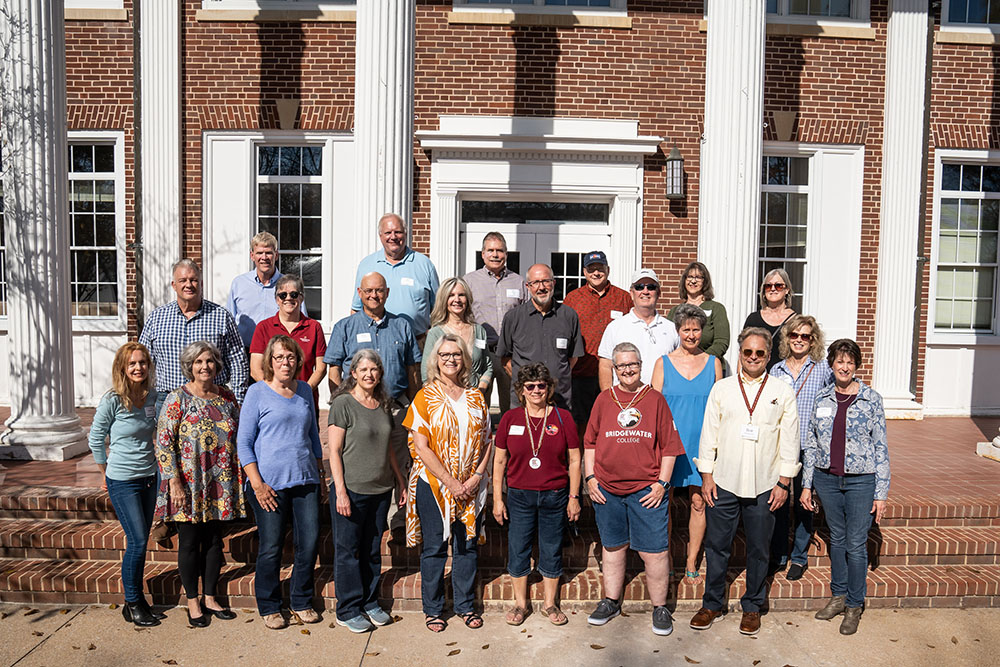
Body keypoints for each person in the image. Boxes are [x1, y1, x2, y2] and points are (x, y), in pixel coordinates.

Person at [690, 327, 799, 637]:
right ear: (740, 354)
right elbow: (708, 433)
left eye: (760, 353)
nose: (753, 358)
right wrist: (707, 476)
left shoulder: (781, 390)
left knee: (759, 549)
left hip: (766, 483)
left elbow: (790, 439)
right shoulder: (722, 389)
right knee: (717, 546)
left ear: (768, 356)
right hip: (723, 481)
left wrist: (783, 483)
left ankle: (752, 606)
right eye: (748, 352)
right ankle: (712, 603)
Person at [584, 342, 684, 636]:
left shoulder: (654, 400)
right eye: (621, 365)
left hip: (646, 491)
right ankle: (611, 601)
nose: (627, 370)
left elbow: (669, 448)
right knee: (613, 548)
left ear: (641, 365)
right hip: (607, 489)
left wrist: (662, 484)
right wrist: (590, 478)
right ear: (614, 369)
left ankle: (660, 607)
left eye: (633, 364)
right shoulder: (604, 399)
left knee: (654, 552)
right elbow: (590, 442)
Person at [403, 334, 491, 633]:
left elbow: (487, 441)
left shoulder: (476, 397)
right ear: (435, 360)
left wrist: (476, 476)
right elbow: (421, 446)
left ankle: (465, 606)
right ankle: (434, 609)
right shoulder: (424, 397)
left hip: (471, 485)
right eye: (444, 355)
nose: (450, 359)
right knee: (436, 548)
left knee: (466, 547)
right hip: (435, 485)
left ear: (464, 360)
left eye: (456, 354)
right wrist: (451, 482)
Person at [801, 338, 890, 636]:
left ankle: (854, 604)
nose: (844, 366)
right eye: (839, 361)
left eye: (850, 362)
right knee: (836, 539)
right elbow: (811, 444)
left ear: (856, 366)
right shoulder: (822, 398)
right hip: (827, 479)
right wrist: (807, 485)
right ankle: (838, 597)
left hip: (861, 481)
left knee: (855, 542)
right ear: (831, 365)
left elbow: (881, 448)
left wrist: (881, 493)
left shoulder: (871, 399)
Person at [155, 341, 246, 628]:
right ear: (190, 367)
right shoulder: (177, 398)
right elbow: (163, 443)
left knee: (214, 542)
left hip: (220, 483)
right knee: (190, 542)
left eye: (209, 361)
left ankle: (210, 596)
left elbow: (240, 436)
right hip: (188, 484)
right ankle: (192, 600)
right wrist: (174, 482)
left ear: (217, 366)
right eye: (198, 362)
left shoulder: (228, 397)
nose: (204, 366)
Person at [238, 335, 324, 630]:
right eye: (278, 358)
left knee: (309, 543)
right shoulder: (257, 393)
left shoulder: (304, 390)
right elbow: (244, 443)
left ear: (298, 361)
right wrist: (257, 484)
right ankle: (270, 605)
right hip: (269, 485)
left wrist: (320, 474)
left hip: (305, 480)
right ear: (269, 363)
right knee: (272, 546)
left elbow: (313, 437)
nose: (285, 363)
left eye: (290, 357)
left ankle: (300, 600)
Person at [325, 271, 422, 528]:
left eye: (379, 290)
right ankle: (362, 511)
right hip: (359, 408)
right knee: (365, 460)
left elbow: (413, 370)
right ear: (360, 293)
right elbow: (333, 368)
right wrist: (339, 401)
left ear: (387, 293)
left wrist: (414, 406)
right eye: (368, 291)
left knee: (398, 461)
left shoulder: (402, 325)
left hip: (396, 406)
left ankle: (397, 519)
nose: (373, 295)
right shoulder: (345, 327)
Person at [493, 363, 581, 627]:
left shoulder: (563, 418)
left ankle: (550, 603)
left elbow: (575, 459)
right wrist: (498, 498)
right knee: (518, 548)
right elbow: (499, 462)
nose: (536, 390)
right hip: (519, 496)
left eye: (541, 385)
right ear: (521, 391)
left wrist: (574, 497)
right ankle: (521, 604)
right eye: (530, 386)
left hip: (555, 495)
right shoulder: (510, 418)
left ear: (549, 388)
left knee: (552, 548)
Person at [328, 349, 408, 633]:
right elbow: (335, 451)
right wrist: (340, 491)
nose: (369, 374)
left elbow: (388, 448)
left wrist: (400, 481)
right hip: (351, 490)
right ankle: (348, 609)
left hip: (381, 490)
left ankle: (370, 602)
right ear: (353, 373)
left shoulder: (383, 404)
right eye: (363, 369)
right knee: (348, 551)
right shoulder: (343, 404)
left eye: (374, 369)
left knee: (372, 550)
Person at [89, 342, 163, 627]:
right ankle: (132, 602)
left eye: (142, 362)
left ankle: (138, 601)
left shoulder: (153, 397)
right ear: (122, 367)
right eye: (132, 363)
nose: (138, 368)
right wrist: (104, 472)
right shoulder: (113, 400)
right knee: (138, 541)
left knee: (141, 542)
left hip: (149, 477)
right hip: (122, 480)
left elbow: (158, 433)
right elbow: (96, 438)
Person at [650, 305, 723, 586]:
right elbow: (655, 406)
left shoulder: (713, 362)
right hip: (669, 444)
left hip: (702, 444)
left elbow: (720, 407)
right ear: (677, 331)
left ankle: (692, 559)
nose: (691, 334)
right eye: (686, 329)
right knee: (663, 502)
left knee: (698, 501)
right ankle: (665, 556)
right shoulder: (662, 363)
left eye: (696, 329)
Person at [769, 314, 833, 580]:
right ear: (787, 338)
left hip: (809, 444)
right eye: (794, 335)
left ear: (812, 340)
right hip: (782, 444)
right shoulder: (776, 370)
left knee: (804, 502)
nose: (798, 340)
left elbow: (832, 402)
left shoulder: (822, 369)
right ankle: (779, 554)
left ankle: (799, 556)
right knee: (780, 501)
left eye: (804, 336)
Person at [140, 259, 248, 408]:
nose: (188, 285)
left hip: (212, 398)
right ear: (174, 285)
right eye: (182, 280)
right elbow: (144, 359)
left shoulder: (221, 316)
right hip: (168, 399)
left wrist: (238, 401)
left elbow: (238, 361)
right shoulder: (157, 318)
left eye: (193, 280)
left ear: (201, 284)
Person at [562, 251, 633, 438]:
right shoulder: (573, 298)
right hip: (582, 372)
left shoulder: (624, 298)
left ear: (607, 270)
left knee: (612, 421)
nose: (596, 273)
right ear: (584, 272)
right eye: (591, 269)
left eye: (600, 269)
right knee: (581, 423)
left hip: (615, 374)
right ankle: (579, 465)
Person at [499, 263, 584, 411]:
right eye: (535, 282)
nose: (541, 287)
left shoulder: (569, 316)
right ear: (528, 286)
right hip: (523, 399)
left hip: (559, 398)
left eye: (546, 281)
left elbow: (573, 358)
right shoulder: (513, 317)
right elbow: (505, 359)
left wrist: (555, 379)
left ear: (553, 283)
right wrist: (526, 381)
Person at [463, 231, 527, 416]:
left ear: (506, 254)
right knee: (479, 403)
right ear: (482, 254)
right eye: (490, 250)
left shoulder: (519, 282)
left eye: (500, 250)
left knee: (513, 404)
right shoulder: (469, 281)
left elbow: (526, 316)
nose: (495, 255)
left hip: (511, 354)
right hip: (482, 352)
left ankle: (509, 442)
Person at [352, 212, 440, 341]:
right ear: (380, 236)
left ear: (406, 234)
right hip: (376, 342)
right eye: (388, 233)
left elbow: (439, 308)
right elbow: (356, 308)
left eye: (398, 232)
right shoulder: (367, 265)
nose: (393, 237)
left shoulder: (424, 265)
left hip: (417, 341)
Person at [249, 274, 326, 411]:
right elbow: (255, 370)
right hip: (271, 402)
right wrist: (275, 393)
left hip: (305, 401)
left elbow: (321, 368)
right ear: (277, 299)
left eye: (294, 294)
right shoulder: (263, 327)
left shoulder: (314, 327)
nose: (288, 298)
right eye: (283, 295)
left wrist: (304, 391)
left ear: (301, 298)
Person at [597, 269, 680, 390]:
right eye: (639, 287)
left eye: (651, 287)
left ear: (658, 293)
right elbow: (605, 365)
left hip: (661, 400)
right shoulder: (615, 327)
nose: (645, 292)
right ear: (631, 293)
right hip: (625, 402)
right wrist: (609, 399)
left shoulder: (672, 329)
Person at [227, 231, 305, 348]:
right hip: (245, 353)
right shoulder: (239, 284)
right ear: (252, 255)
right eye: (259, 253)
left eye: (268, 253)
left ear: (276, 255)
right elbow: (229, 322)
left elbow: (301, 320)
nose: (264, 257)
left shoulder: (289, 286)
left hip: (280, 354)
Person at [421, 277, 493, 392]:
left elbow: (487, 365)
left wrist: (481, 389)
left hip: (476, 399)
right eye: (451, 295)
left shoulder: (479, 331)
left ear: (467, 298)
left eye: (461, 295)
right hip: (446, 399)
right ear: (444, 299)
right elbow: (427, 373)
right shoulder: (435, 334)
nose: (457, 299)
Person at [667, 261, 730, 358]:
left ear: (705, 281)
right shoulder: (674, 311)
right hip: (679, 365)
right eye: (690, 277)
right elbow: (668, 341)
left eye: (698, 277)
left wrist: (702, 359)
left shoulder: (716, 309)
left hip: (708, 365)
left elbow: (721, 342)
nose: (693, 281)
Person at [743, 268, 796, 372]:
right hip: (757, 376)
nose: (773, 289)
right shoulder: (753, 319)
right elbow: (744, 352)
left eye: (778, 286)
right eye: (768, 286)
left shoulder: (795, 320)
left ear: (787, 290)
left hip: (785, 376)